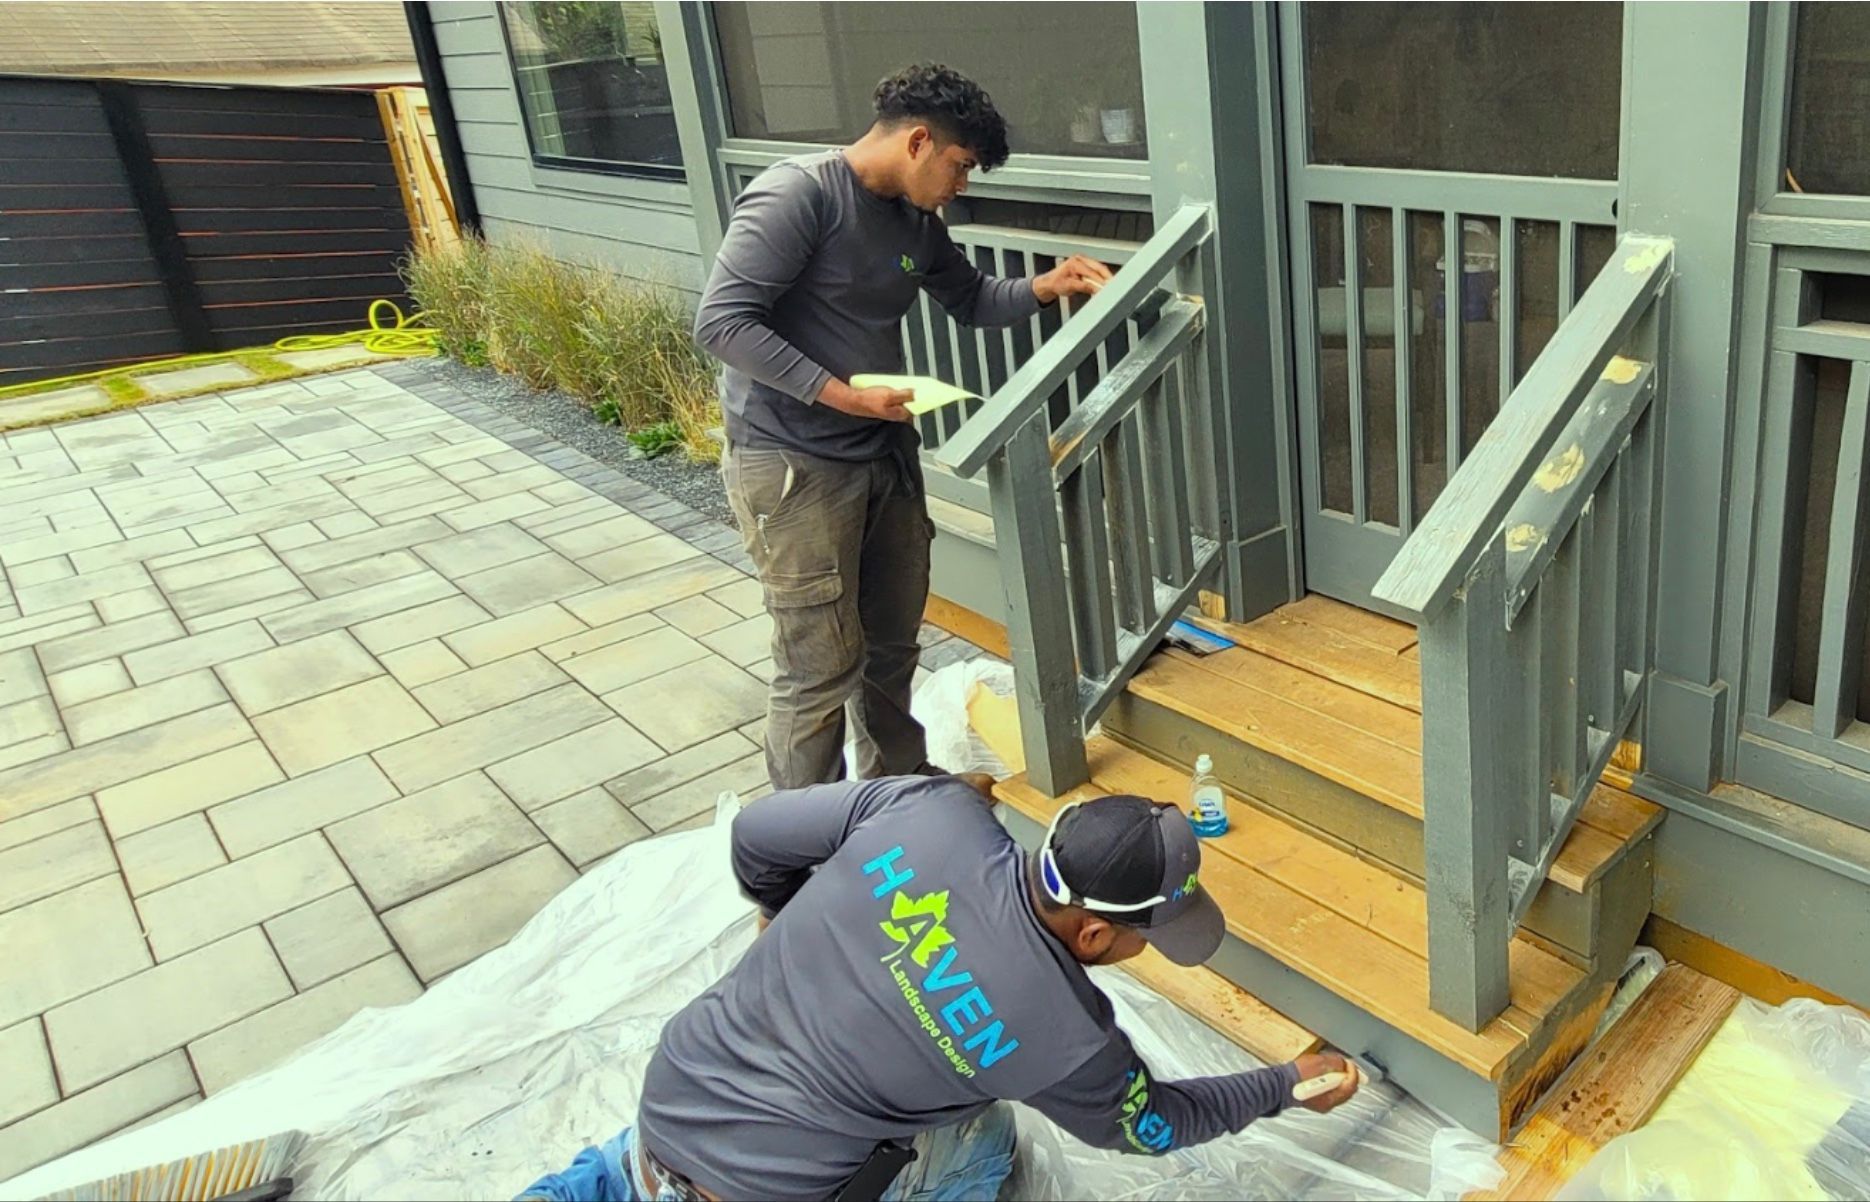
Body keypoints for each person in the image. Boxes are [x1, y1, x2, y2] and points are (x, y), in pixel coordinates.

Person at [518, 775, 1360, 1201]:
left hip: (670, 1098)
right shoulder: (1068, 1036)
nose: (1146, 948)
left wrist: (783, 910)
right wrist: (1284, 1086)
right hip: (768, 1194)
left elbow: (754, 834)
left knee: (631, 1169)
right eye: (1149, 933)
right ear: (1097, 934)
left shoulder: (930, 812)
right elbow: (1149, 1126)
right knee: (988, 1137)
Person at [693, 63, 1113, 791]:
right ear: (918, 141)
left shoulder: (918, 219)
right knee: (819, 668)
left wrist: (1046, 286)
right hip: (795, 468)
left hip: (883, 457)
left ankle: (898, 794)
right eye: (960, 166)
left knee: (889, 652)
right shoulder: (800, 196)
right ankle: (802, 856)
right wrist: (842, 396)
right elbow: (722, 322)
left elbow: (974, 297)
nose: (963, 185)